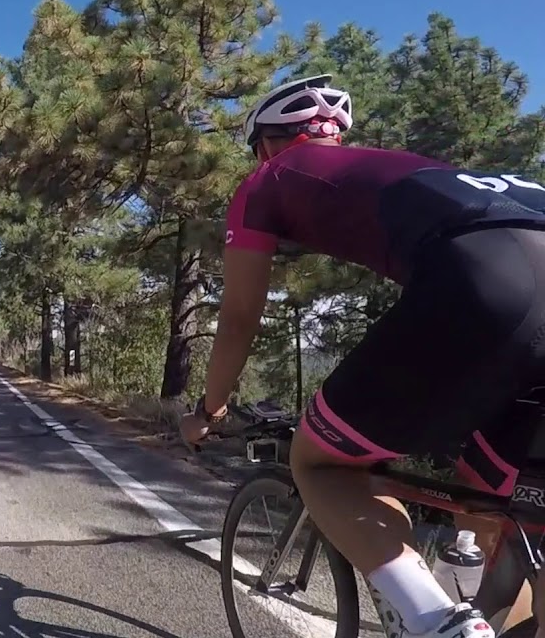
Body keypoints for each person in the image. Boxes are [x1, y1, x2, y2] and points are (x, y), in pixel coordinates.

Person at [179, 73, 545, 638]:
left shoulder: (268, 179)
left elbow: (238, 316)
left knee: (322, 460)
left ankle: (435, 622)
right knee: (499, 509)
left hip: (487, 283)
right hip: (513, 276)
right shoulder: (423, 168)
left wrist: (210, 409)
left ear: (269, 144)